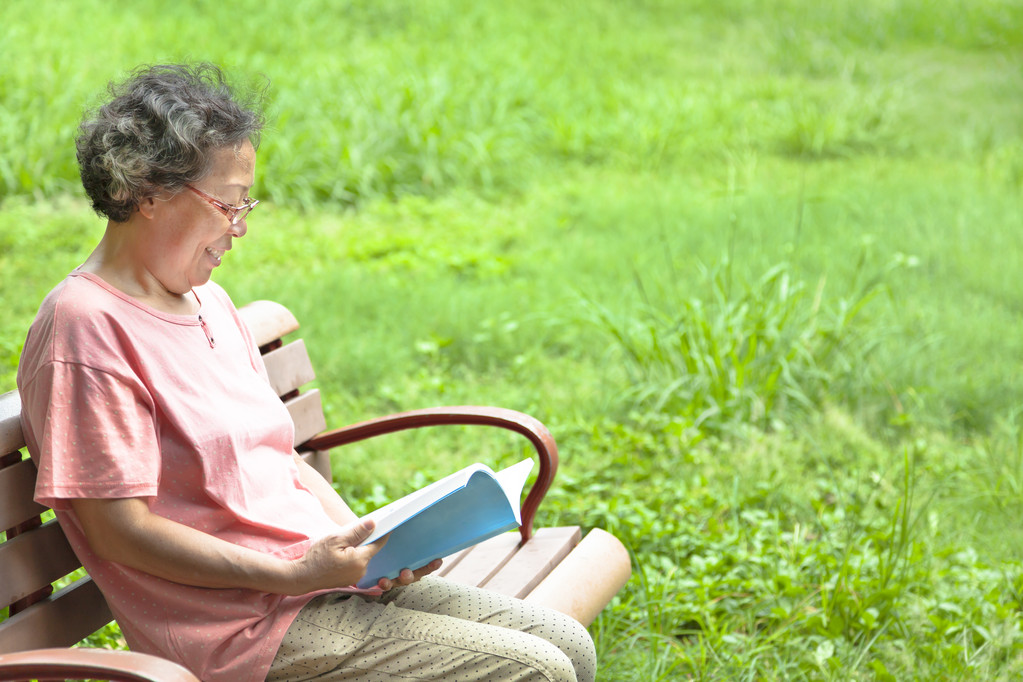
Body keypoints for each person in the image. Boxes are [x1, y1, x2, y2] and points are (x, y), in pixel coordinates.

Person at [16, 63, 596, 682]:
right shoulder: (86, 326)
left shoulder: (207, 300)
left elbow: (279, 458)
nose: (239, 229)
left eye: (247, 205)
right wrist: (292, 573)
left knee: (568, 645)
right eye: (226, 206)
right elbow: (120, 532)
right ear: (147, 192)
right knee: (536, 671)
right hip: (241, 632)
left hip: (315, 589)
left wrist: (369, 545)